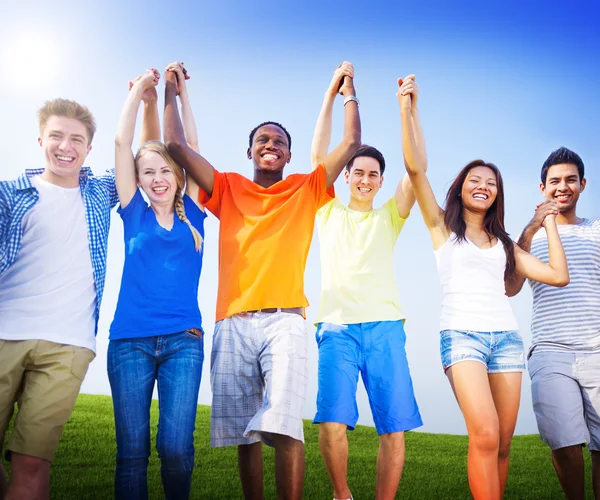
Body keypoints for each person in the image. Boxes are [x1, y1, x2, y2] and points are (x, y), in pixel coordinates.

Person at [163, 62, 361, 500]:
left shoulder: (306, 188)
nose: (270, 145)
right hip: (232, 320)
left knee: (286, 423)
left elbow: (350, 142)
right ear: (250, 151)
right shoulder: (228, 187)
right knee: (243, 434)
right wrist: (169, 90)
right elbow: (174, 144)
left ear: (289, 155)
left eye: (279, 142)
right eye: (262, 141)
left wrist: (347, 91)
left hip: (285, 320)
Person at [400, 78, 570, 499]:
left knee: (504, 443)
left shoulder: (505, 245)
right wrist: (409, 109)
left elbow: (557, 275)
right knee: (486, 434)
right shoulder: (443, 228)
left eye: (491, 183)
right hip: (462, 339)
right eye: (475, 180)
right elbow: (416, 169)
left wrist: (547, 220)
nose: (483, 186)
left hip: (507, 341)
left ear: (497, 195)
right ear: (461, 187)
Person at [310, 66, 423, 500]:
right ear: (346, 176)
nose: (365, 179)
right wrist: (334, 94)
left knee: (394, 428)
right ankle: (342, 495)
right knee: (332, 423)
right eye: (358, 172)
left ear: (379, 180)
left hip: (384, 328)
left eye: (373, 174)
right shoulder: (327, 211)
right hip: (336, 329)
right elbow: (319, 153)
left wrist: (408, 110)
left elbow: (415, 169)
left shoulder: (390, 215)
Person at [0, 98, 118, 499]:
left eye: (76, 139)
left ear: (89, 149)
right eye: (56, 136)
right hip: (3, 334)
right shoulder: (10, 194)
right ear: (40, 140)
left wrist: (143, 96)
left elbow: (136, 149)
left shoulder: (101, 193)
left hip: (68, 345)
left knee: (31, 462)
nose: (65, 146)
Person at [108, 64, 207, 500]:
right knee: (132, 453)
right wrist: (143, 89)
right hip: (129, 341)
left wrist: (179, 93)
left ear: (177, 174)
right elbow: (120, 142)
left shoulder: (196, 214)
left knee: (175, 449)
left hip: (183, 341)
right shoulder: (134, 212)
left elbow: (191, 147)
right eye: (147, 172)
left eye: (165, 170)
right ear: (139, 180)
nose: (157, 178)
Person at [506, 147, 600, 500]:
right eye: (555, 181)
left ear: (583, 184)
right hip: (549, 350)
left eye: (570, 180)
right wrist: (533, 225)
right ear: (542, 187)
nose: (563, 187)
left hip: (597, 349)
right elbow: (511, 288)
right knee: (564, 443)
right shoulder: (528, 239)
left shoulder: (596, 230)